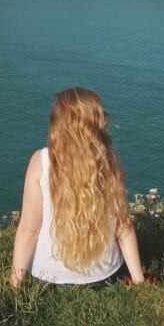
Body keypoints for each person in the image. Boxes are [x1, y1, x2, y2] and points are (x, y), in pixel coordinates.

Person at [10, 87, 145, 288]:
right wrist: (139, 280)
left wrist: (14, 286)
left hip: (48, 278)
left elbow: (28, 230)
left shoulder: (41, 162)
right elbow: (123, 226)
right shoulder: (111, 160)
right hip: (105, 276)